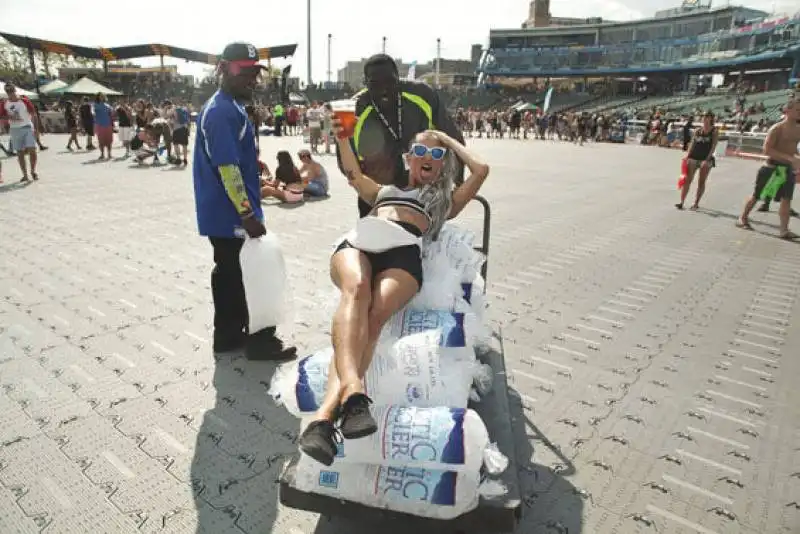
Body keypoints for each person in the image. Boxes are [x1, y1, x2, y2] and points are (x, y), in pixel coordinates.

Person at [298, 120, 490, 466]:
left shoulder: (443, 200)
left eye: (435, 153)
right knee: (356, 289)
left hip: (403, 249)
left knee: (374, 317)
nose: (426, 157)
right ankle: (355, 395)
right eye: (420, 151)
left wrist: (444, 138)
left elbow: (481, 169)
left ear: (442, 162)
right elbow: (354, 175)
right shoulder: (384, 191)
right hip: (362, 240)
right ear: (408, 159)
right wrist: (343, 138)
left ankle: (324, 419)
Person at [192, 41, 296, 360]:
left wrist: (254, 165)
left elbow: (233, 160)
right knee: (251, 276)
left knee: (229, 274)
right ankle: (260, 341)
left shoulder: (230, 105)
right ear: (225, 69)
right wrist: (247, 214)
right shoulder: (222, 111)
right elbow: (226, 168)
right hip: (231, 214)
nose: (253, 79)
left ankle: (227, 336)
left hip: (223, 211)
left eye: (256, 73)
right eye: (245, 72)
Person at [337, 54, 465, 218]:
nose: (383, 89)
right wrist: (364, 187)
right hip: (378, 195)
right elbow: (346, 163)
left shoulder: (423, 95)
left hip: (424, 192)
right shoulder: (355, 108)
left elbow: (454, 141)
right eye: (375, 84)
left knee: (423, 237)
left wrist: (455, 183)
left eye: (389, 82)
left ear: (398, 78)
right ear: (366, 83)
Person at [737, 89, 800, 240]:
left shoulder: (798, 130)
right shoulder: (777, 128)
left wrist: (795, 159)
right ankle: (743, 217)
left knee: (786, 199)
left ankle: (784, 230)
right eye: (798, 110)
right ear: (787, 110)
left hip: (787, 169)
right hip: (771, 168)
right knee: (757, 196)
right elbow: (767, 150)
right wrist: (790, 158)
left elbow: (793, 149)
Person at [676, 111, 717, 210]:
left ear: (711, 118)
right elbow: (692, 144)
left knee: (701, 182)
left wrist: (706, 160)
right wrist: (687, 156)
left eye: (707, 116)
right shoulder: (697, 130)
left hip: (705, 159)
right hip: (694, 157)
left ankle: (696, 203)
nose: (704, 118)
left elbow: (713, 146)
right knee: (687, 180)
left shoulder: (714, 131)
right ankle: (682, 202)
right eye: (703, 116)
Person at [0, 83, 40, 182]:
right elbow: (1, 116)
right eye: (8, 91)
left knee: (32, 150)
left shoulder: (24, 101)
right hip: (14, 129)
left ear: (15, 90)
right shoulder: (4, 103)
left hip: (27, 127)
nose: (10, 93)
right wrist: (9, 117)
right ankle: (25, 175)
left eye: (11, 90)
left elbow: (33, 115)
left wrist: (36, 129)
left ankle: (33, 171)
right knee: (20, 153)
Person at [93, 93, 115, 160]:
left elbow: (111, 115)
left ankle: (109, 154)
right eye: (100, 96)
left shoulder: (108, 106)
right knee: (101, 141)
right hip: (100, 125)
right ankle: (102, 154)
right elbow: (94, 113)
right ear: (98, 97)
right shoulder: (96, 105)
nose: (102, 97)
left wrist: (112, 124)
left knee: (109, 140)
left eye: (103, 96)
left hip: (108, 125)